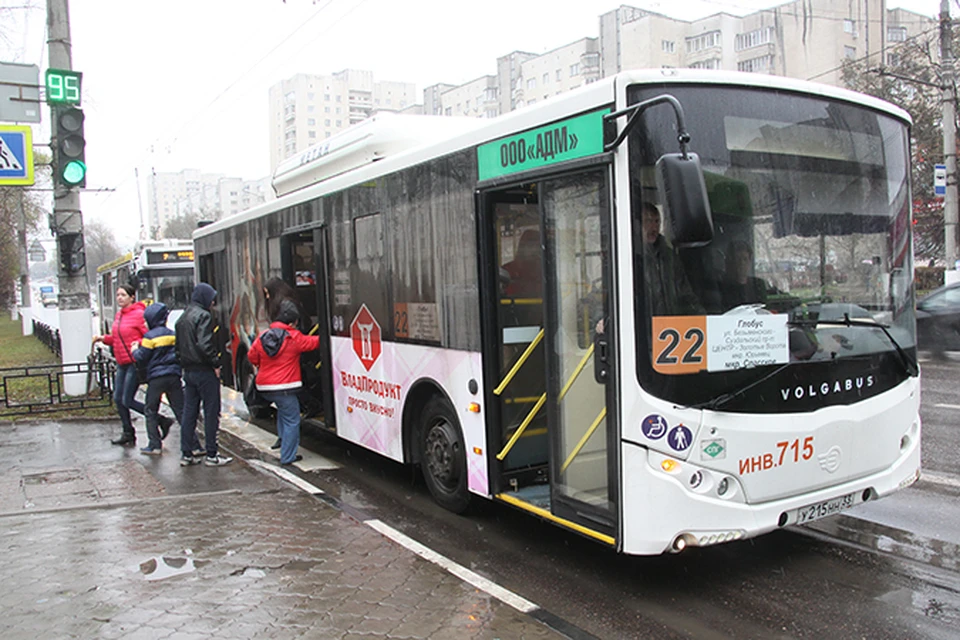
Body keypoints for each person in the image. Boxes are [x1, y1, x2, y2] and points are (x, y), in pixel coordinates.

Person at [248, 300, 320, 466]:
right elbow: (313, 343)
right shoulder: (293, 337)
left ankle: (281, 440)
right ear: (292, 323)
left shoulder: (263, 336)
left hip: (264, 386)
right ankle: (287, 456)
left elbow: (252, 356)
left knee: (282, 411)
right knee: (292, 420)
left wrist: (264, 366)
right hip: (285, 387)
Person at [92, 284, 160, 446]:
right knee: (118, 398)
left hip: (134, 363)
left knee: (127, 400)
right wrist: (103, 338)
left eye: (123, 295)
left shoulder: (139, 315)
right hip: (121, 362)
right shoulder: (119, 316)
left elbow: (149, 337)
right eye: (118, 295)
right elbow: (116, 338)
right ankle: (127, 432)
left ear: (132, 297)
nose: (120, 298)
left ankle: (159, 419)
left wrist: (139, 346)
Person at [176, 283, 232, 467]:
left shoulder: (182, 318)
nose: (213, 302)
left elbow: (178, 349)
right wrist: (215, 363)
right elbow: (204, 344)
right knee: (211, 412)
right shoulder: (204, 316)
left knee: (189, 412)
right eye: (212, 297)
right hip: (204, 371)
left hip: (189, 371)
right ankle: (212, 454)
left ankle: (186, 453)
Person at [132, 302, 184, 455]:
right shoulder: (172, 334)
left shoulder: (149, 337)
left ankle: (154, 445)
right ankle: (193, 444)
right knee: (180, 410)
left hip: (156, 378)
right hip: (174, 376)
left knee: (151, 410)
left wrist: (135, 350)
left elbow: (142, 357)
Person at [636, 201, 703, 316]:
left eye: (656, 221)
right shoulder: (629, 257)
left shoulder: (669, 256)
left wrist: (701, 317)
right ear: (637, 224)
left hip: (670, 326)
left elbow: (685, 293)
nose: (653, 227)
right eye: (648, 221)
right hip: (642, 328)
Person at [720, 241, 770, 309]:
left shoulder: (758, 285)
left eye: (745, 259)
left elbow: (765, 310)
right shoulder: (721, 287)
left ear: (750, 262)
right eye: (738, 259)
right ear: (730, 262)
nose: (741, 263)